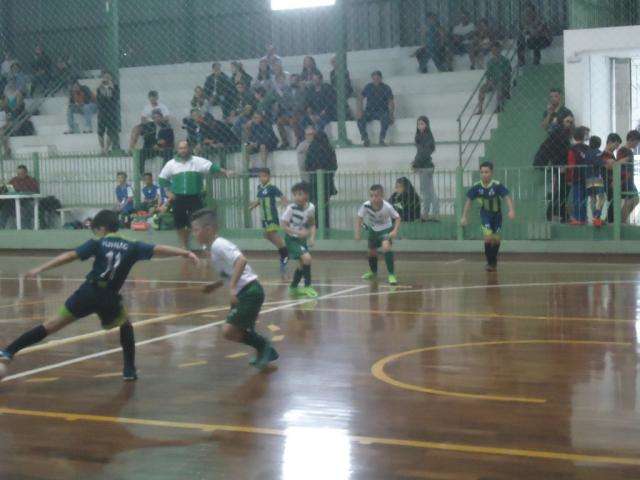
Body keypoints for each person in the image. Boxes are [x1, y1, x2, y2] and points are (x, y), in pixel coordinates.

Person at [0, 210, 199, 380]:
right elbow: (159, 249)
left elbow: (69, 256)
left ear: (102, 228)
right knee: (125, 325)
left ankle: (9, 350)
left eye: (96, 228)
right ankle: (129, 369)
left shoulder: (97, 244)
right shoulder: (133, 245)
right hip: (109, 297)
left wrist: (40, 268)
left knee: (51, 325)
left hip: (89, 292)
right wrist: (185, 253)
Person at [191, 209, 279, 370]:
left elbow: (241, 261)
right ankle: (265, 350)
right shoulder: (213, 248)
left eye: (196, 230)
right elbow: (228, 272)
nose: (194, 234)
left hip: (250, 291)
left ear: (209, 229)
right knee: (238, 330)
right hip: (246, 292)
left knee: (228, 331)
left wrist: (232, 288)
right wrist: (215, 285)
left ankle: (264, 347)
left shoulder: (219, 245)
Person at [158, 140, 232, 249]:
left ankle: (204, 245)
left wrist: (225, 171)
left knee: (200, 221)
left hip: (195, 197)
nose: (183, 150)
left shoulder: (197, 161)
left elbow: (212, 167)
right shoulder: (171, 164)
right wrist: (169, 192)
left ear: (189, 148)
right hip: (178, 198)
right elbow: (162, 179)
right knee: (180, 223)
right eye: (181, 148)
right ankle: (184, 245)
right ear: (177, 150)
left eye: (185, 147)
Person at [460, 161, 515, 272]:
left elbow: (506, 197)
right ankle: (490, 262)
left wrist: (511, 210)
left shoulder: (497, 185)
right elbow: (469, 201)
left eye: (486, 172)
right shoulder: (477, 186)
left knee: (496, 239)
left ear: (491, 173)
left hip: (497, 215)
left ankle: (493, 260)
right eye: (482, 172)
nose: (484, 174)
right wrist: (464, 216)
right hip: (485, 214)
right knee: (488, 237)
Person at [355, 184, 401, 285]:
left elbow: (397, 218)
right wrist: (358, 233)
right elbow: (359, 218)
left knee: (386, 247)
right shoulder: (366, 205)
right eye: (371, 196)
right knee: (371, 252)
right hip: (373, 230)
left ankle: (391, 275)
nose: (373, 198)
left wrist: (395, 231)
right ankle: (373, 271)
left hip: (386, 229)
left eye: (376, 196)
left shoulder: (387, 207)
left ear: (382, 196)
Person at [249, 168, 289, 276]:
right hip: (264, 218)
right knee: (267, 235)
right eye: (260, 176)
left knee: (272, 234)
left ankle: (284, 253)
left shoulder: (272, 188)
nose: (262, 178)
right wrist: (252, 206)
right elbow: (259, 200)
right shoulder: (259, 188)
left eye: (264, 176)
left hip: (271, 216)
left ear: (268, 177)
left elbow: (282, 197)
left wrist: (287, 207)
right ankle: (283, 251)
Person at [281, 182, 317, 298]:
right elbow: (284, 226)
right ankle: (307, 286)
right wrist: (298, 232)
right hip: (291, 239)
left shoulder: (311, 207)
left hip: (302, 240)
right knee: (307, 258)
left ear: (307, 195)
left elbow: (312, 224)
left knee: (302, 265)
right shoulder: (290, 208)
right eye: (295, 194)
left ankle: (293, 287)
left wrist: (311, 237)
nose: (297, 197)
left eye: (300, 194)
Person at [305, 130, 337, 229]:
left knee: (313, 206)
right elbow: (334, 166)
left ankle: (315, 227)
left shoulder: (311, 148)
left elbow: (307, 166)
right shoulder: (329, 148)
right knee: (325, 205)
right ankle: (325, 228)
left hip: (314, 183)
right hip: (327, 182)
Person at [357, 71, 395, 147]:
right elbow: (360, 98)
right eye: (374, 78)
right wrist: (360, 110)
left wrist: (391, 114)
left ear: (381, 78)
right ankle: (365, 139)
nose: (376, 80)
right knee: (360, 119)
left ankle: (381, 139)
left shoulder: (386, 88)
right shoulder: (368, 87)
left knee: (385, 118)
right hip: (369, 111)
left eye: (377, 78)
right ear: (372, 79)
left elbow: (391, 102)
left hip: (382, 111)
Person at [412, 116, 439, 221]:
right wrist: (415, 162)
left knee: (429, 192)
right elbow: (420, 153)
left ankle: (434, 214)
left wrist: (415, 164)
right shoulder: (420, 136)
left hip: (425, 167)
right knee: (426, 192)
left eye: (422, 124)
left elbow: (424, 154)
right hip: (423, 166)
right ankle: (426, 214)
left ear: (427, 125)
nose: (420, 126)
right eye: (418, 124)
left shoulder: (427, 137)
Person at [475, 43, 511, 115]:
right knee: (482, 89)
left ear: (500, 50)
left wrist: (502, 79)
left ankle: (499, 107)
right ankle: (480, 109)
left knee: (500, 86)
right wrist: (489, 82)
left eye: (496, 49)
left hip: (503, 81)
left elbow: (508, 73)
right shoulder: (490, 62)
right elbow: (488, 74)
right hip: (493, 81)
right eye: (493, 50)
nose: (494, 51)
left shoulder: (505, 60)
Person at [615, 130, 640, 223]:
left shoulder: (629, 151)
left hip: (629, 179)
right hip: (625, 180)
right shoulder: (622, 150)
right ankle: (621, 220)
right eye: (637, 142)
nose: (637, 144)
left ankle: (623, 220)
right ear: (631, 140)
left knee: (634, 199)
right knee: (633, 198)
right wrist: (622, 179)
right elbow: (619, 164)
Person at [566, 126, 590, 225]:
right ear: (584, 135)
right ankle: (583, 218)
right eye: (587, 134)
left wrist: (569, 178)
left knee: (577, 198)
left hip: (577, 177)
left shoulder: (572, 149)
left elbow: (571, 164)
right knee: (584, 198)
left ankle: (577, 218)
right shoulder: (588, 149)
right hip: (587, 176)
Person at [584, 135, 609, 227]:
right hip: (596, 177)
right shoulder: (598, 153)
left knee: (592, 198)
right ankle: (597, 216)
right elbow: (601, 163)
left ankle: (594, 217)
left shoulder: (586, 153)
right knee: (602, 197)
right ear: (599, 144)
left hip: (588, 177)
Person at [140, 109, 175, 173]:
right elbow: (146, 138)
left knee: (168, 153)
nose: (156, 119)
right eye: (154, 117)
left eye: (158, 117)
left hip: (163, 148)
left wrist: (159, 145)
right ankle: (141, 174)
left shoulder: (167, 126)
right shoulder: (149, 126)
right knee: (141, 154)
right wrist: (154, 145)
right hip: (151, 148)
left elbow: (169, 139)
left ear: (161, 117)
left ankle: (165, 173)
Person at [96, 71, 120, 155]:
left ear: (111, 78)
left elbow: (116, 98)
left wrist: (112, 87)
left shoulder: (115, 87)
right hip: (102, 112)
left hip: (112, 111)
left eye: (108, 77)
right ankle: (102, 149)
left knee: (110, 131)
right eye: (104, 77)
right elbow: (99, 100)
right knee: (100, 131)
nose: (106, 78)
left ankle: (106, 149)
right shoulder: (99, 88)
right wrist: (101, 89)